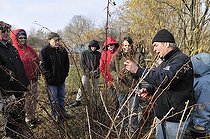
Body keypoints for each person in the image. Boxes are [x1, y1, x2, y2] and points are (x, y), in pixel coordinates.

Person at [124, 29, 195, 139]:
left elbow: (165, 79)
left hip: (175, 118)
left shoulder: (181, 60)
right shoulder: (165, 62)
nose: (154, 49)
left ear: (166, 43)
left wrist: (138, 71)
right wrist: (149, 89)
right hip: (161, 116)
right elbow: (160, 81)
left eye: (156, 45)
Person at [109, 36, 146, 137]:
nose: (127, 47)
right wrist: (117, 77)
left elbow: (143, 70)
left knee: (133, 110)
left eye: (129, 45)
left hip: (134, 87)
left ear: (132, 45)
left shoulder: (138, 56)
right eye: (125, 45)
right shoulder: (117, 56)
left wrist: (134, 71)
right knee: (123, 110)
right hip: (121, 87)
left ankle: (133, 132)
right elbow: (111, 69)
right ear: (122, 45)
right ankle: (125, 128)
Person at [0, 21, 29, 138]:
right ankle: (10, 135)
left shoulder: (11, 48)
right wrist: (7, 94)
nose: (6, 33)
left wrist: (25, 85)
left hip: (19, 88)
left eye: (8, 31)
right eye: (3, 31)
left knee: (20, 113)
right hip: (8, 91)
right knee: (11, 115)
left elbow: (20, 68)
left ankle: (19, 133)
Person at [10, 29, 40, 129]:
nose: (23, 39)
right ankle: (28, 119)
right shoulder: (14, 50)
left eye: (24, 37)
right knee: (27, 101)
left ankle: (33, 116)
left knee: (34, 99)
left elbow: (36, 60)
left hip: (33, 79)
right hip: (23, 81)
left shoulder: (30, 49)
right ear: (16, 39)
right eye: (20, 38)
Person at [39, 32, 70, 122]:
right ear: (49, 40)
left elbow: (66, 63)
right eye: (55, 40)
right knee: (53, 99)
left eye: (58, 40)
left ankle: (63, 113)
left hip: (61, 79)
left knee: (61, 97)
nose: (57, 42)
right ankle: (55, 115)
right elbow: (43, 67)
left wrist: (65, 74)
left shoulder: (62, 50)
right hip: (51, 81)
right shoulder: (44, 51)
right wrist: (50, 77)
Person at [70, 40, 101, 108]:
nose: (93, 48)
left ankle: (95, 101)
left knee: (95, 88)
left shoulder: (98, 54)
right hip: (86, 73)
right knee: (83, 86)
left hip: (96, 73)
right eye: (92, 46)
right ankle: (78, 100)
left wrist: (96, 71)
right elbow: (82, 63)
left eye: (95, 47)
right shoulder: (84, 53)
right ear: (90, 46)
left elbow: (100, 64)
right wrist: (88, 71)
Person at [189, 52, 210, 138]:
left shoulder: (205, 82)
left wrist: (200, 124)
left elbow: (204, 104)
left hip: (200, 124)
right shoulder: (200, 77)